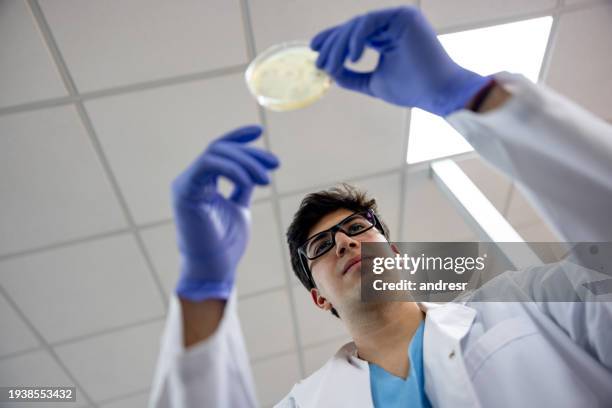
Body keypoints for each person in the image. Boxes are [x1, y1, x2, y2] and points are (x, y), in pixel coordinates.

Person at [149, 6, 612, 408]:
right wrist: (203, 288)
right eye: (321, 246)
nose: (345, 242)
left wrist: (471, 96)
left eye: (355, 227)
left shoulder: (528, 303)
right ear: (319, 297)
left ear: (393, 251)